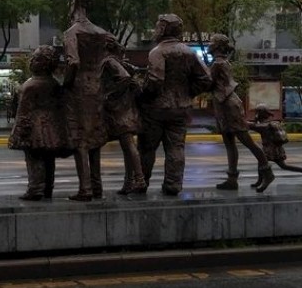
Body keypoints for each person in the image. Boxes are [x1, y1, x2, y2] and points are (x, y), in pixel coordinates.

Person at [136, 13, 211, 196]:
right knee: (176, 147)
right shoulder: (189, 52)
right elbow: (206, 79)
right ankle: (173, 184)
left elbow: (154, 81)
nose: (155, 30)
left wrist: (141, 93)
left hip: (156, 109)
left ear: (163, 29)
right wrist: (188, 93)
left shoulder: (157, 52)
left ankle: (141, 182)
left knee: (147, 147)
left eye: (157, 26)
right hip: (181, 108)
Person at [62, 0, 113, 201]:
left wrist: (65, 85)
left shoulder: (72, 33)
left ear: (74, 3)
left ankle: (85, 188)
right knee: (95, 137)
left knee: (81, 138)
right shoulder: (101, 33)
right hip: (98, 88)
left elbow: (73, 62)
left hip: (80, 89)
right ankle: (97, 185)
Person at [207, 33, 274, 192]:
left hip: (229, 106)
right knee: (229, 143)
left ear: (217, 46)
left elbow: (207, 83)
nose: (209, 44)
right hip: (224, 105)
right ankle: (232, 179)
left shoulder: (218, 64)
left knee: (246, 140)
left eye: (211, 42)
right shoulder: (223, 62)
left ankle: (267, 172)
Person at [8, 45, 71, 200]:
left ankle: (35, 189)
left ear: (41, 63)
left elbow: (23, 111)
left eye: (35, 59)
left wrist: (18, 133)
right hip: (52, 127)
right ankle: (48, 187)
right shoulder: (54, 83)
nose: (31, 61)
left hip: (34, 127)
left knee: (33, 158)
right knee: (49, 159)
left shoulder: (29, 85)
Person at [102, 37, 146, 195]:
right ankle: (129, 182)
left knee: (128, 145)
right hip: (125, 108)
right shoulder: (119, 62)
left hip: (120, 110)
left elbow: (125, 78)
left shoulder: (109, 61)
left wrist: (109, 95)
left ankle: (139, 179)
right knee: (127, 146)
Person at [247, 105, 302, 183]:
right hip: (276, 148)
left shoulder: (264, 126)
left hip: (271, 150)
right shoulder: (270, 123)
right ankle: (259, 180)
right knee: (265, 163)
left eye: (256, 112)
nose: (255, 114)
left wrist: (251, 120)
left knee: (270, 164)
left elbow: (252, 126)